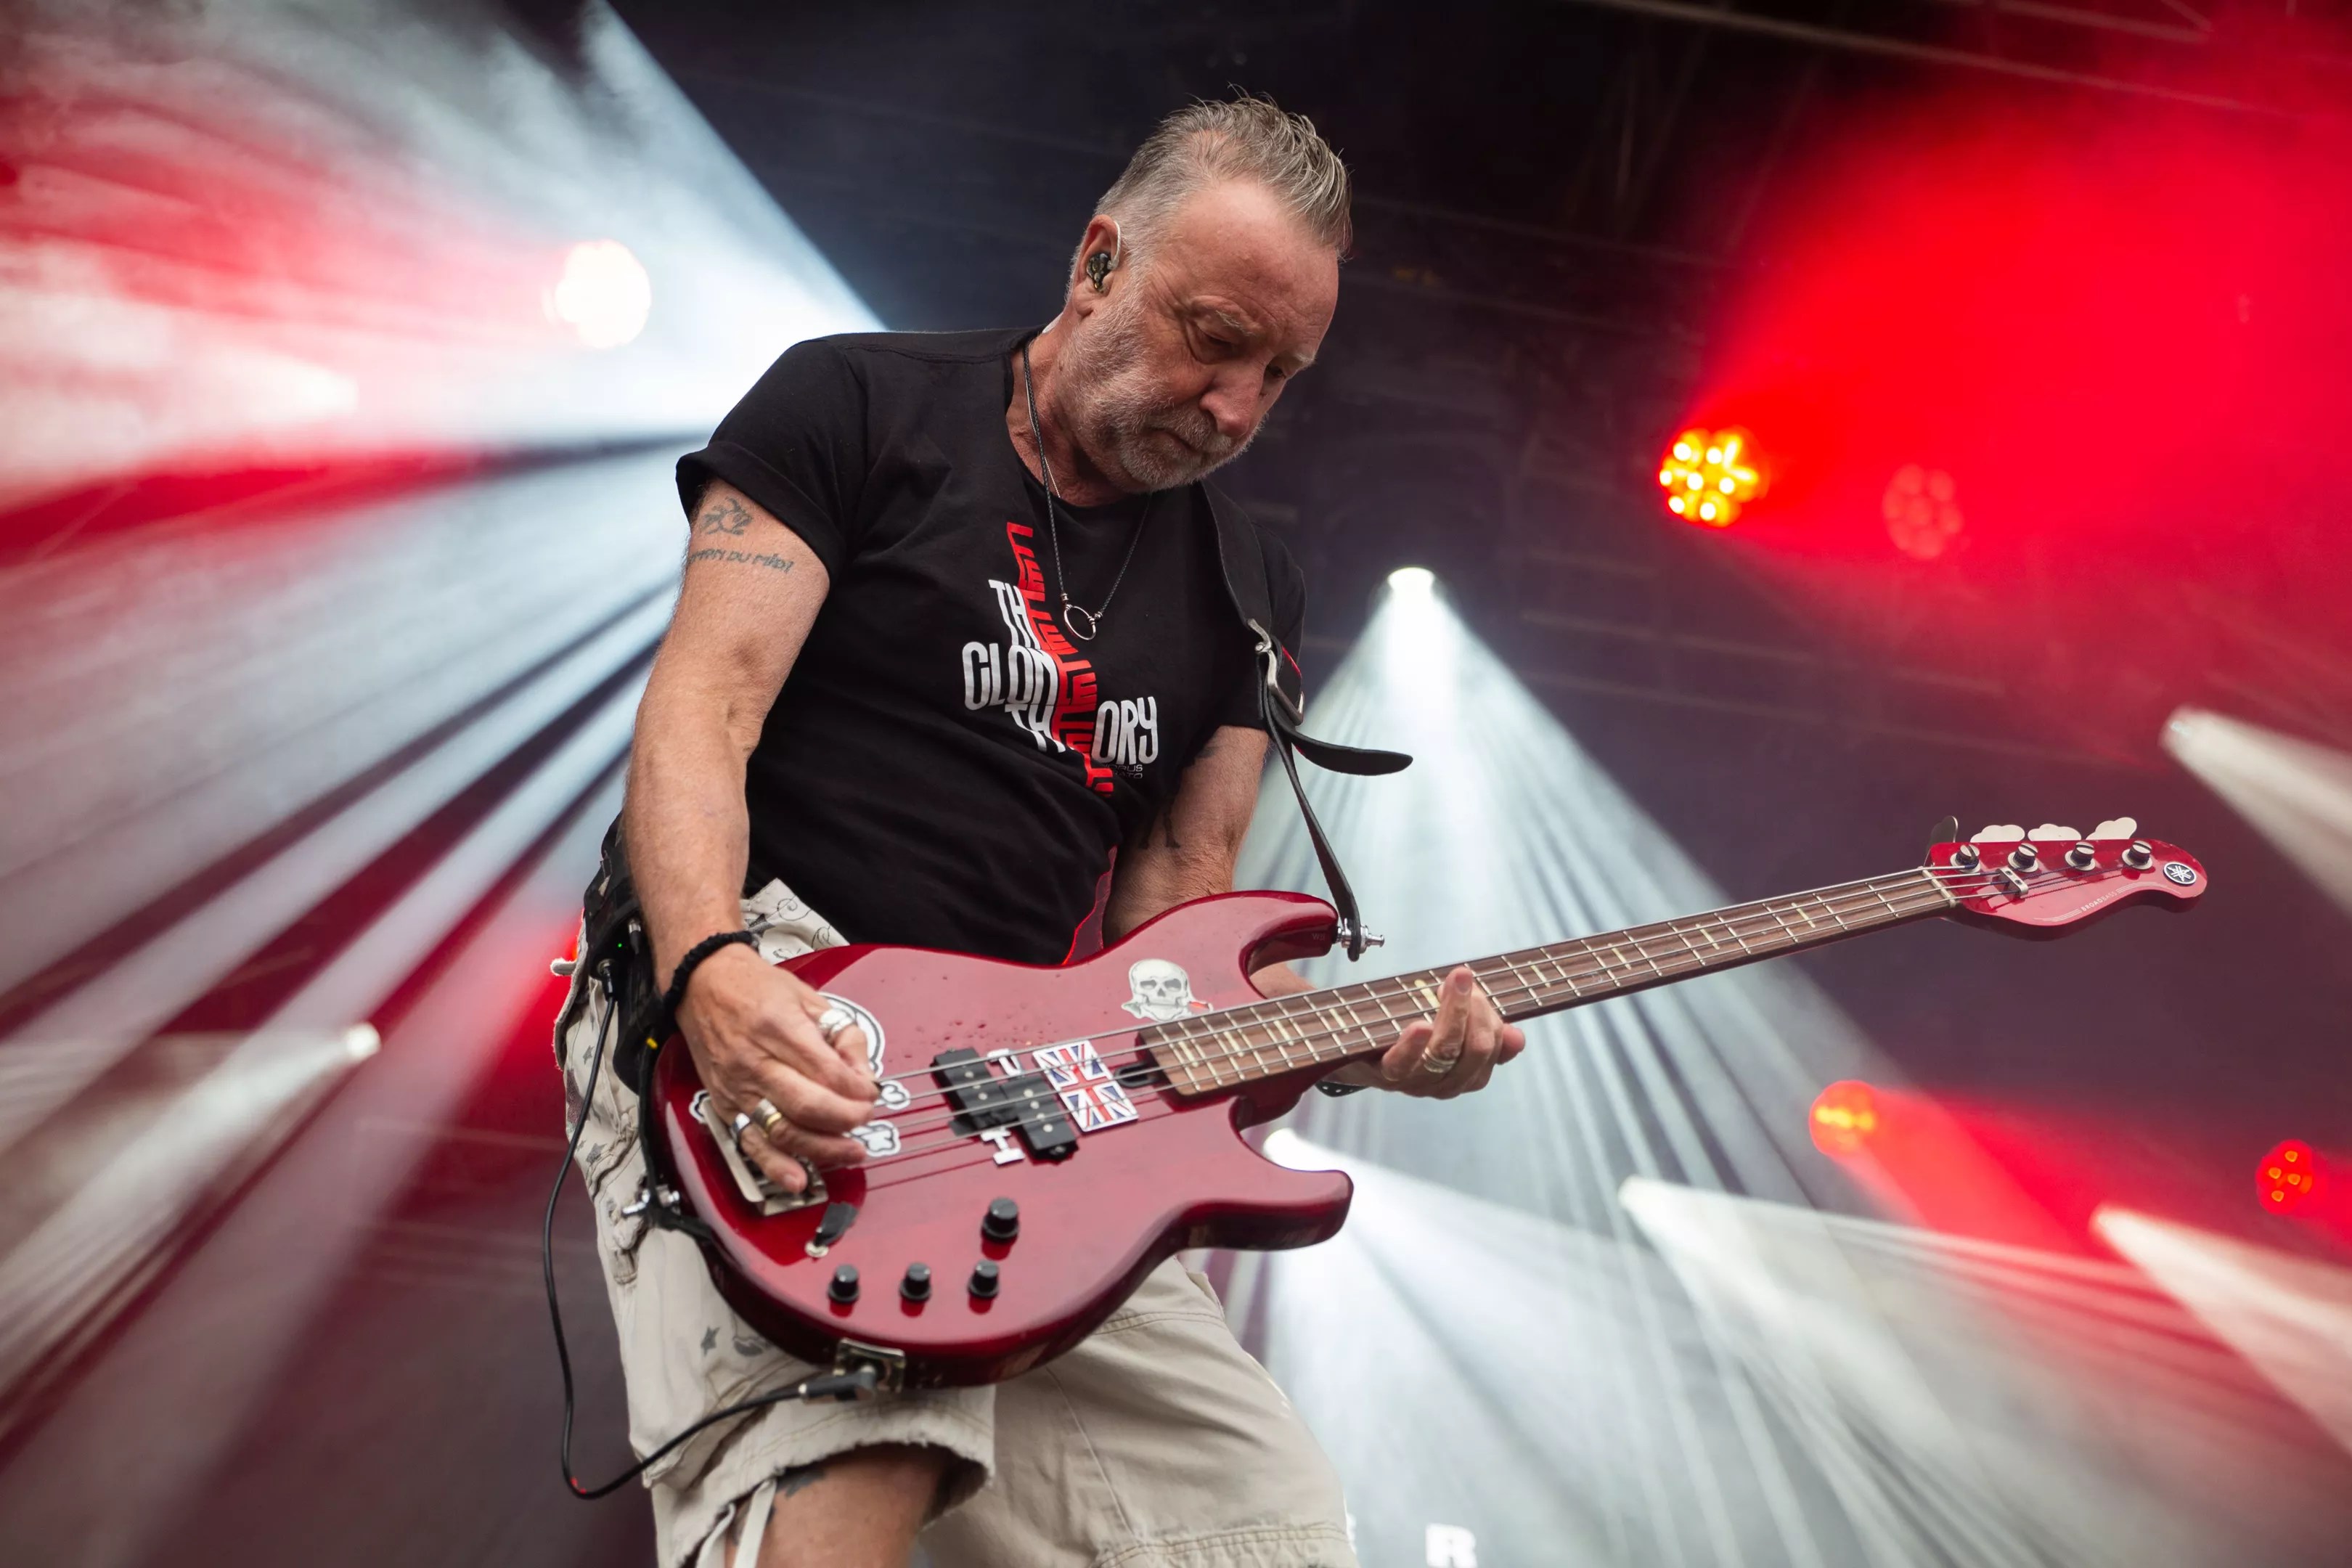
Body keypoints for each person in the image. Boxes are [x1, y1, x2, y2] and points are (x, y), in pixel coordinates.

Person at [556, 94, 1526, 1568]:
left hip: (1026, 1085)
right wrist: (711, 972)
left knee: (1257, 1527)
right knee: (872, 1432)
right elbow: (703, 714)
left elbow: (1177, 936)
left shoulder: (1250, 580)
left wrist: (1358, 1042)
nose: (1236, 408)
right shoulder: (855, 407)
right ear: (1098, 263)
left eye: (1280, 372)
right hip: (771, 971)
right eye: (1214, 336)